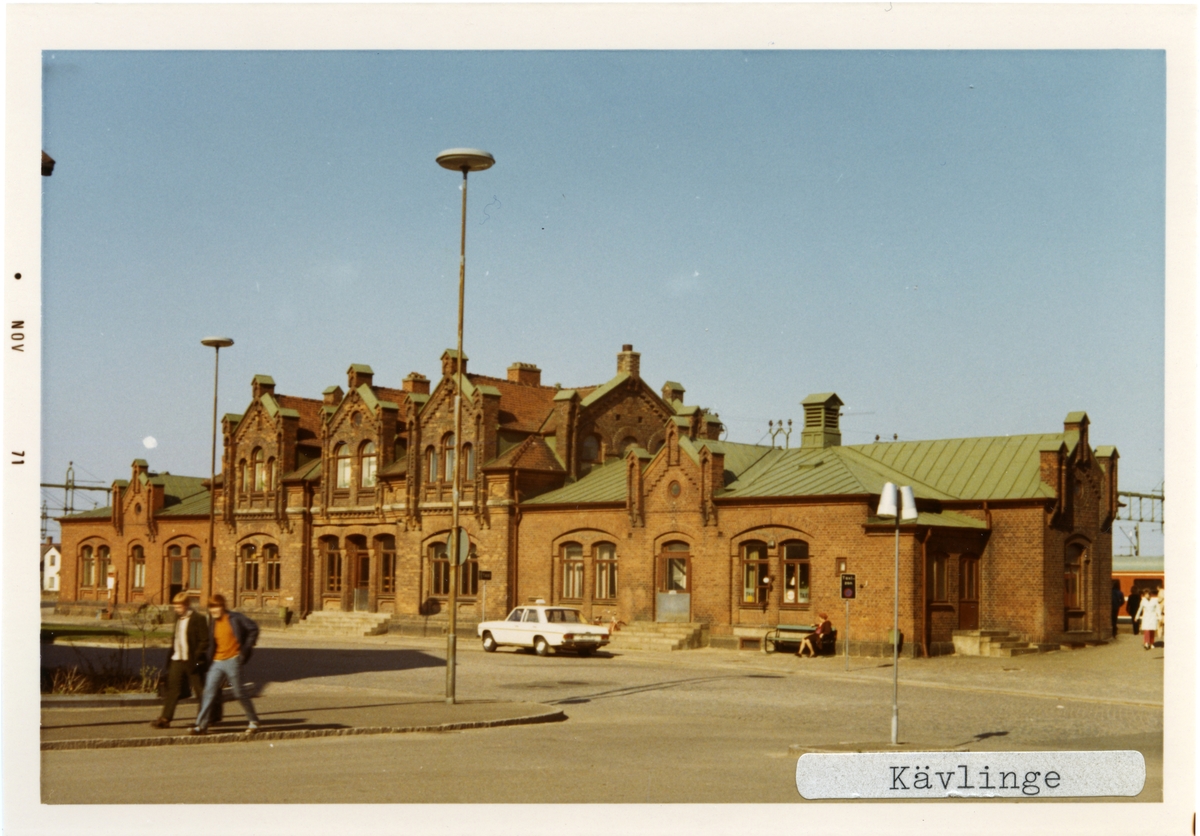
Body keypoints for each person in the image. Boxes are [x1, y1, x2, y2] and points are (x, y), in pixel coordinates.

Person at [191, 594, 260, 735]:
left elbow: (253, 628)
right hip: (217, 662)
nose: (213, 610)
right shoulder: (213, 622)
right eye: (211, 607)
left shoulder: (235, 618)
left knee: (239, 692)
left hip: (233, 660)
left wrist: (245, 649)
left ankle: (253, 721)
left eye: (216, 607)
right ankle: (201, 725)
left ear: (222, 606)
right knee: (208, 692)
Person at [149, 592, 209, 729]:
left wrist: (197, 656)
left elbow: (205, 641)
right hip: (177, 658)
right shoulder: (178, 617)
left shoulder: (198, 619)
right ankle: (165, 718)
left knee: (200, 691)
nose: (176, 609)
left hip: (194, 661)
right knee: (173, 688)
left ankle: (203, 719)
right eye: (175, 606)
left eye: (179, 606)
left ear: (187, 605)